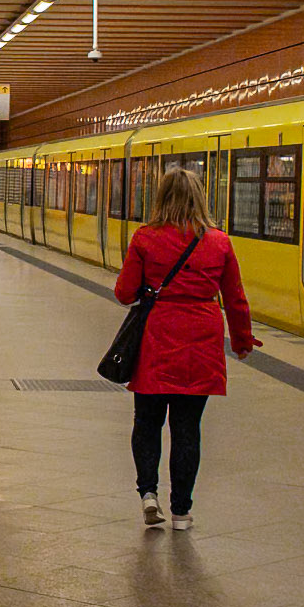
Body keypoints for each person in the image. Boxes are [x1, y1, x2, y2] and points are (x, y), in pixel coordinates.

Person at [114, 167, 259, 531]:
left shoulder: (145, 238)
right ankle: (181, 512)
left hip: (156, 338)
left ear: (160, 197)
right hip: (201, 341)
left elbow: (123, 292)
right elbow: (236, 299)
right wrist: (241, 342)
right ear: (200, 197)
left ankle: (148, 493)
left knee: (147, 422)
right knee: (187, 428)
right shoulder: (220, 243)